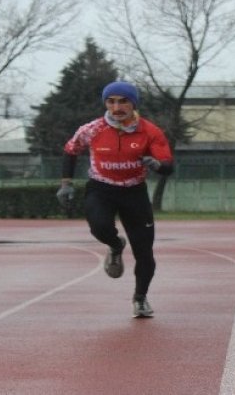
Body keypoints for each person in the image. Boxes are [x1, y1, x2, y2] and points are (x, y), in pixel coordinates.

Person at [56, 81, 174, 317]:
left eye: (123, 101)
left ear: (134, 103)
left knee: (144, 252)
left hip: (134, 192)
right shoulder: (92, 129)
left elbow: (168, 165)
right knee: (99, 227)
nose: (116, 107)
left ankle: (140, 298)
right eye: (111, 101)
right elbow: (71, 150)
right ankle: (115, 244)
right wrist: (65, 184)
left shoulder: (150, 131)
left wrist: (157, 165)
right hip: (102, 188)